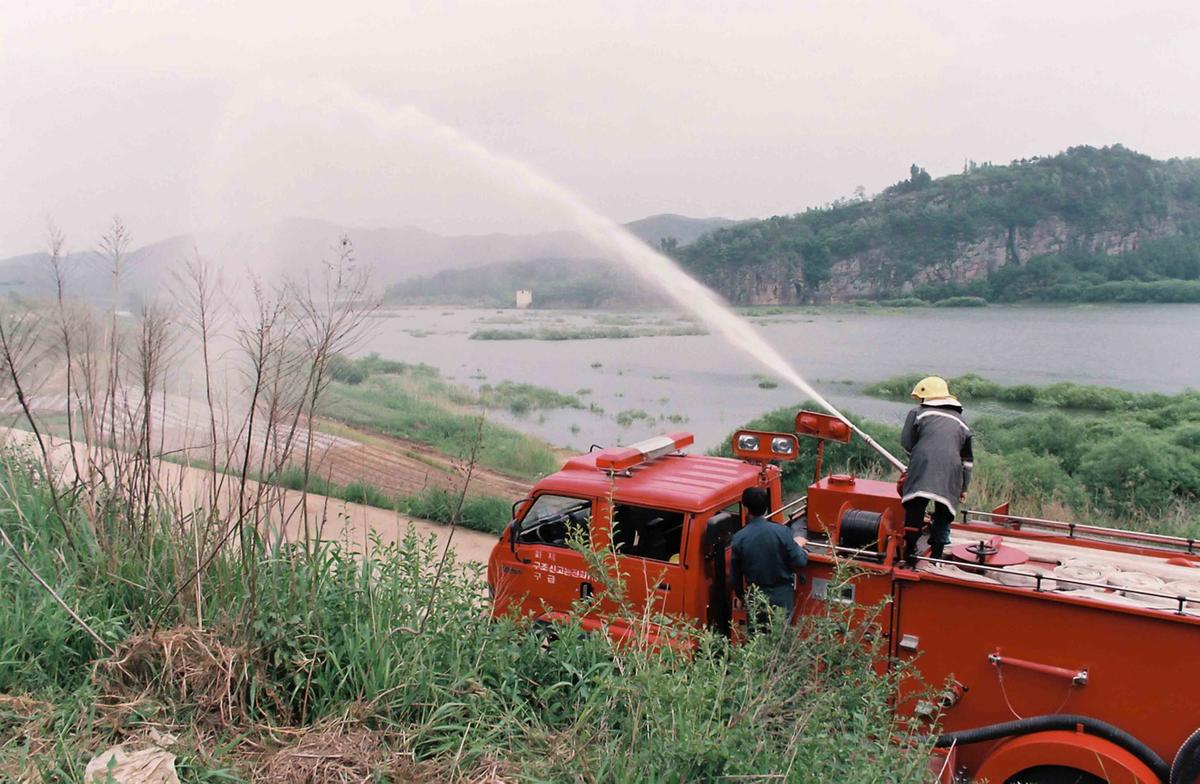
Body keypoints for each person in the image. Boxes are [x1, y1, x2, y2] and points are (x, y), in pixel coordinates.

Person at [899, 376, 974, 564]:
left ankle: (909, 552)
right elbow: (967, 461)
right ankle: (937, 557)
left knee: (915, 506)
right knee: (944, 512)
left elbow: (907, 443)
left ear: (927, 399)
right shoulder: (963, 423)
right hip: (953, 471)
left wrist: (920, 455)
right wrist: (963, 487)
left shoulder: (917, 413)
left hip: (922, 465)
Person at [728, 486, 808, 632]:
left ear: (745, 509)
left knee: (756, 642)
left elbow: (735, 574)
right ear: (765, 508)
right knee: (779, 642)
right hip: (782, 597)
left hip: (756, 598)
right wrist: (799, 546)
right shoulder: (782, 532)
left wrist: (740, 596)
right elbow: (800, 561)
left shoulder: (739, 538)